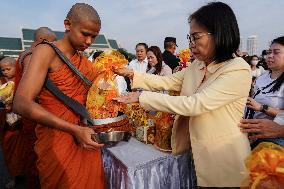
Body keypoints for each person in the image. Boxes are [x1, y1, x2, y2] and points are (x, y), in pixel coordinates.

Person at [115, 2, 251, 188]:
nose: (191, 44)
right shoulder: (198, 65)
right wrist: (132, 74)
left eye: (196, 37)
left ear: (219, 33)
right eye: (190, 37)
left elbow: (195, 104)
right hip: (195, 154)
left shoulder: (238, 69)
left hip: (224, 159)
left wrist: (141, 98)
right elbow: (167, 82)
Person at [13, 3, 105, 189]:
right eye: (85, 34)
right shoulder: (46, 52)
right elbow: (21, 103)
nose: (88, 42)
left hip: (86, 139)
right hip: (58, 138)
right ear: (67, 24)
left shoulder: (84, 62)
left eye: (93, 37)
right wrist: (74, 130)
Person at [13, 27, 57, 189]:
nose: (54, 48)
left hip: (28, 114)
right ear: (41, 41)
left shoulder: (24, 54)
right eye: (52, 44)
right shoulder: (32, 57)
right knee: (37, 156)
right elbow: (33, 91)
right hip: (34, 114)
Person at [245, 36, 284, 147]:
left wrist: (262, 108)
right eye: (269, 52)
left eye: (276, 52)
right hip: (253, 135)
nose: (270, 56)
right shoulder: (263, 77)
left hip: (274, 141)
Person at [0, 57, 24, 189]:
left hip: (21, 121)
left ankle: (28, 174)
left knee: (24, 150)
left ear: (16, 67)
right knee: (9, 151)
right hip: (7, 121)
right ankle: (14, 176)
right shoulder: (3, 83)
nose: (5, 72)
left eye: (8, 69)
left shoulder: (22, 81)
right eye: (2, 70)